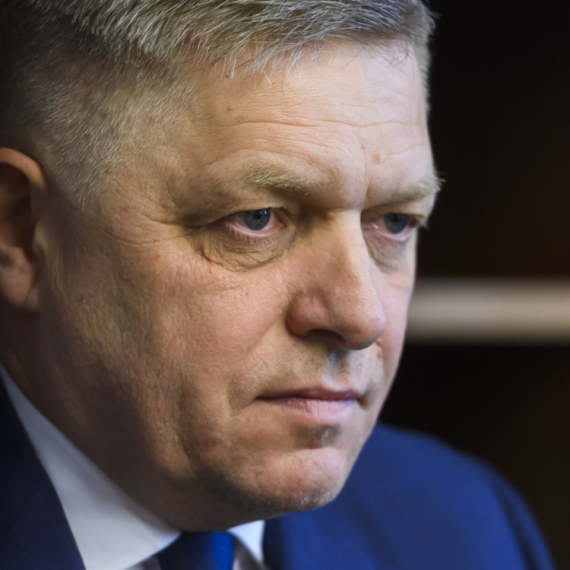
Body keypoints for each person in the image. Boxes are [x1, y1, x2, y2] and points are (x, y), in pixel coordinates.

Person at [0, 1, 555, 569]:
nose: (362, 317)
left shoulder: (466, 526)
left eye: (393, 222)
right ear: (21, 230)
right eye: (257, 218)